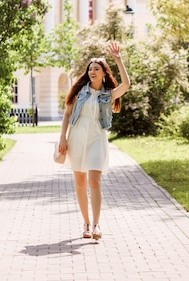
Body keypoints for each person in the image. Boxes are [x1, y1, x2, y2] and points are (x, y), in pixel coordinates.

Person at [58, 42, 131, 241]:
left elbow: (126, 85)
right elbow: (67, 115)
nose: (92, 71)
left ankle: (97, 224)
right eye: (90, 69)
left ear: (104, 74)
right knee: (80, 183)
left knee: (95, 180)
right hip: (77, 138)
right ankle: (86, 224)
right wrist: (63, 138)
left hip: (97, 139)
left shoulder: (108, 94)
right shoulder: (80, 91)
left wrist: (118, 60)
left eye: (96, 69)